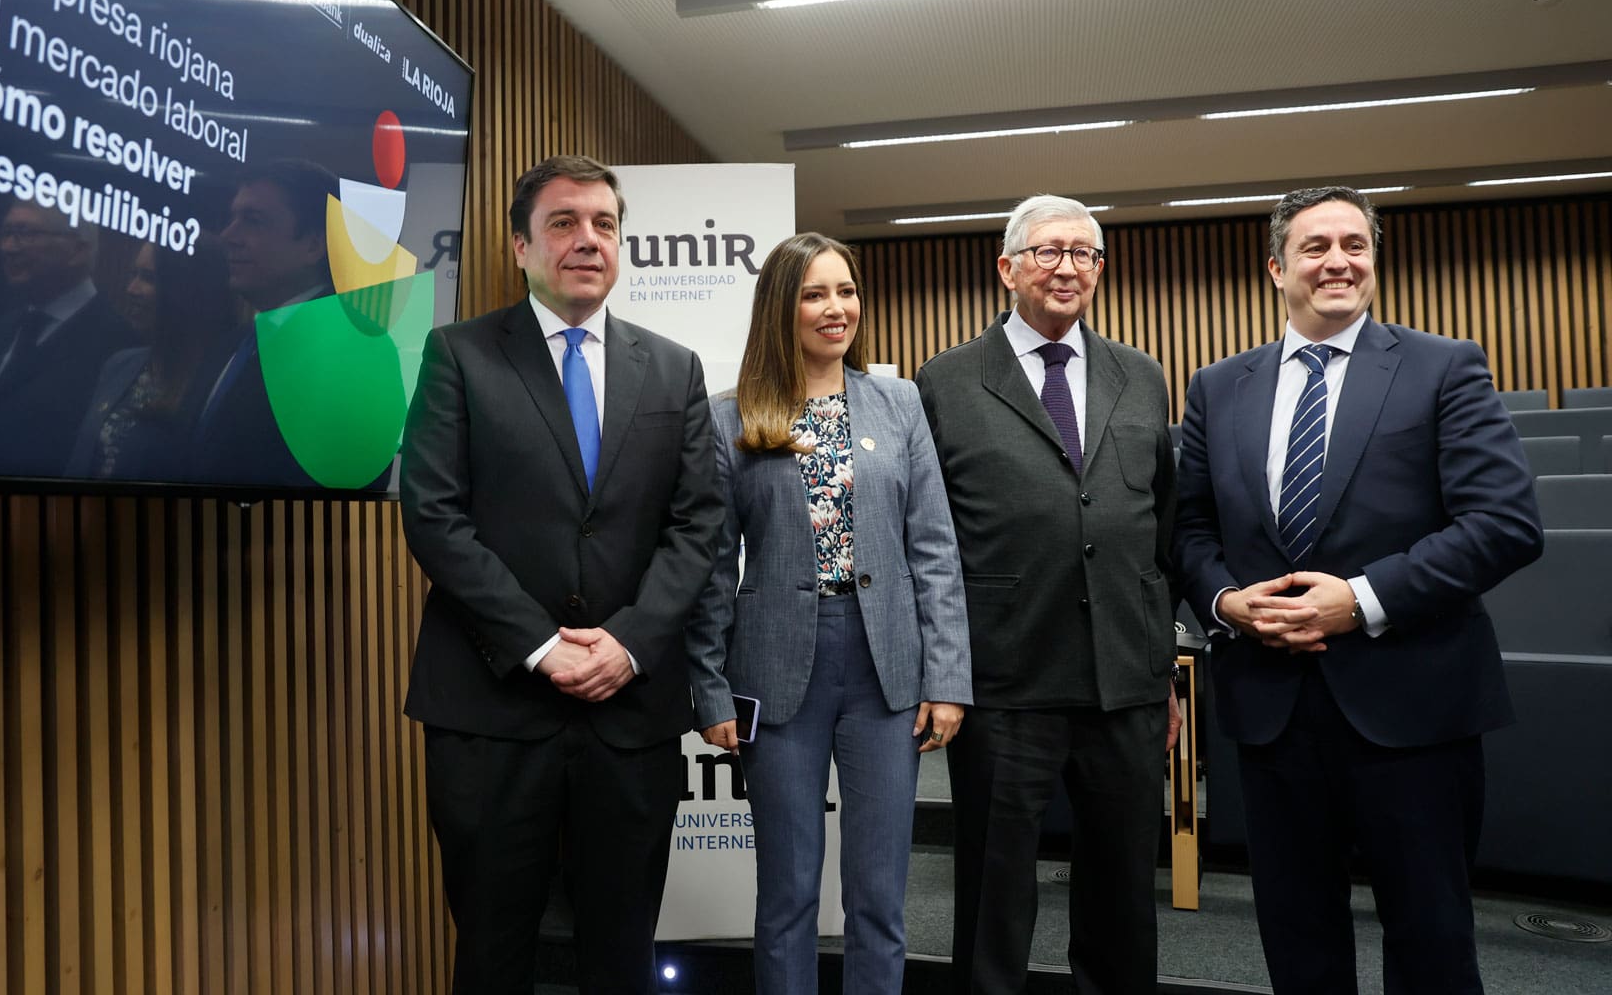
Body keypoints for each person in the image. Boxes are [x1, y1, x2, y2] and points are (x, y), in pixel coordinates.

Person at [1173, 185, 1543, 994]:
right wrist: (1227, 604)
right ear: (1276, 267)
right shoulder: (1217, 387)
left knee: (1432, 941)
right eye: (1315, 247)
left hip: (1413, 709)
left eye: (1355, 244)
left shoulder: (1444, 365)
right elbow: (1189, 532)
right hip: (1272, 710)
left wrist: (1361, 599)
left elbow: (1505, 523)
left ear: (1374, 260)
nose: (1338, 261)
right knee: (1297, 940)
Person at [398, 155, 724, 994]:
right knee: (494, 948)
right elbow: (435, 515)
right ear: (520, 246)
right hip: (493, 706)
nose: (588, 240)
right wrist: (543, 646)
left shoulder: (675, 368)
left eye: (604, 225)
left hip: (632, 710)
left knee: (621, 951)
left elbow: (698, 525)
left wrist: (630, 642)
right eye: (564, 223)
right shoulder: (459, 355)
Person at [686, 232, 970, 994]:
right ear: (782, 306)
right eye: (815, 294)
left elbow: (934, 548)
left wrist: (947, 678)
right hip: (777, 673)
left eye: (845, 291)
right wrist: (709, 688)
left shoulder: (899, 400)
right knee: (787, 893)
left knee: (880, 897)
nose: (835, 308)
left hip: (885, 670)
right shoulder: (731, 416)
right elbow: (712, 569)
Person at [915, 194, 1182, 995]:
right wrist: (943, 673)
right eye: (1047, 252)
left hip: (1123, 682)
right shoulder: (947, 381)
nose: (1067, 268)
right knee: (995, 894)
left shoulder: (1143, 376)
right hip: (1003, 682)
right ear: (1007, 268)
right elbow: (927, 538)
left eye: (1084, 255)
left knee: (1124, 891)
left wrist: (1164, 667)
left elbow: (1158, 530)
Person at [0, 200, 135, 478]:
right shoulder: (3, 327)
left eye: (25, 234)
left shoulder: (119, 344)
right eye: (5, 234)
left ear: (77, 250)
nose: (8, 248)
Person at [187, 159, 338, 487]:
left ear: (314, 245)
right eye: (232, 219)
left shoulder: (348, 358)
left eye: (253, 221)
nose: (228, 236)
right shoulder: (233, 343)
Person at [65, 237, 236, 480]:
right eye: (133, 274)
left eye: (148, 278)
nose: (131, 289)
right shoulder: (120, 364)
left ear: (190, 290)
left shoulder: (219, 380)